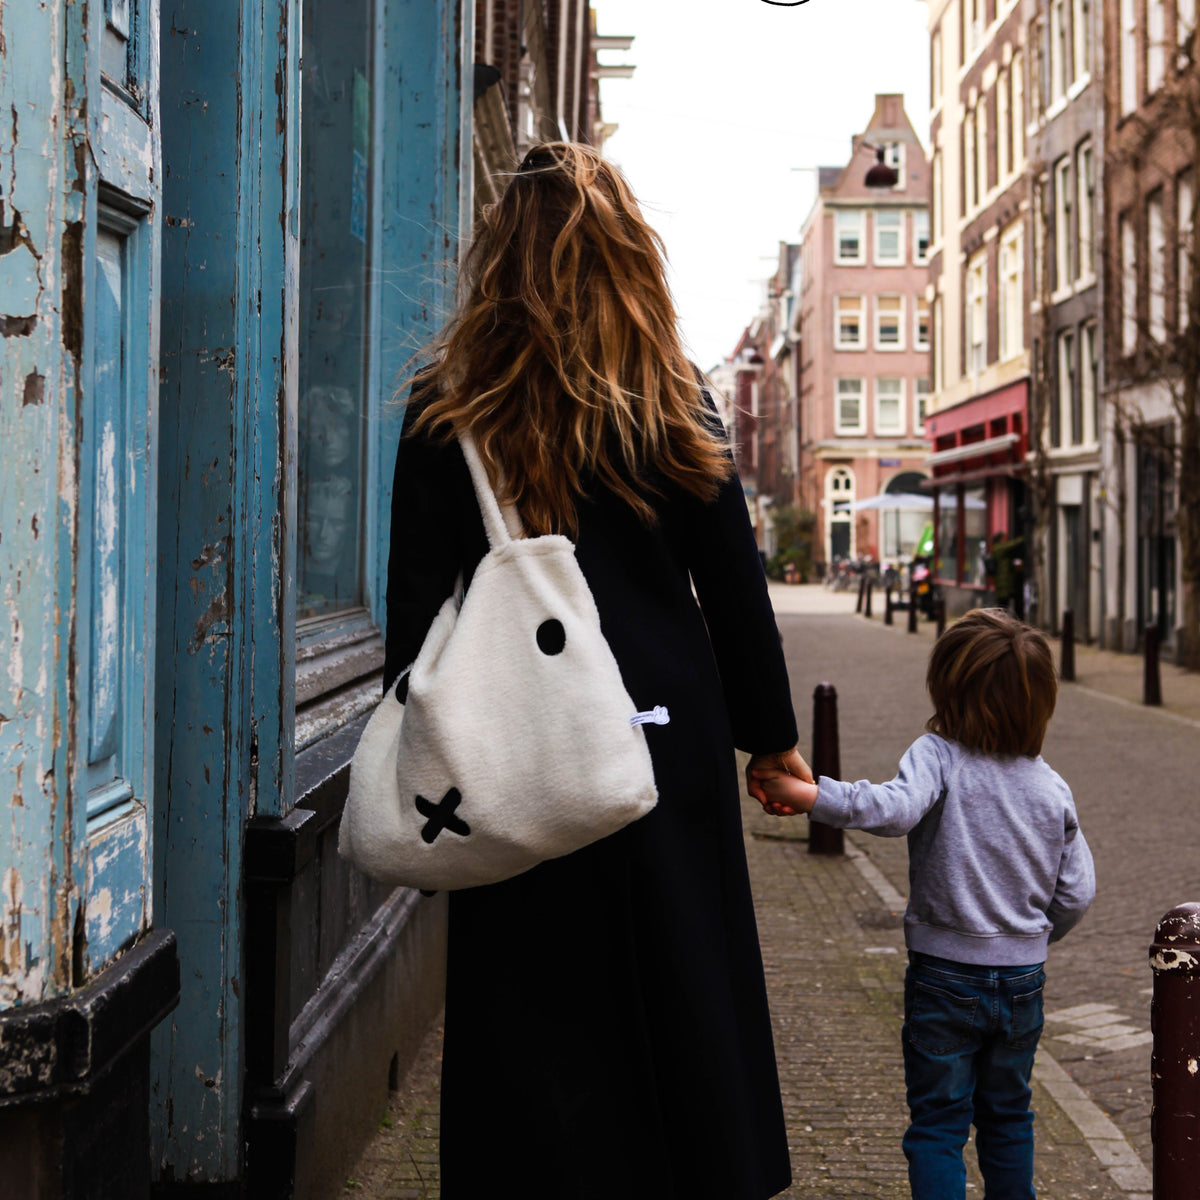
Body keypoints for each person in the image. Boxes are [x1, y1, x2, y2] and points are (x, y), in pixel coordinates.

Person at [384, 142, 810, 1199]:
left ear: (496, 260)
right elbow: (735, 588)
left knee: (527, 998)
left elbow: (414, 620)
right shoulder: (672, 398)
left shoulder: (449, 408)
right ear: (629, 257)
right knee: (683, 981)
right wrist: (771, 738)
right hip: (664, 739)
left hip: (519, 746)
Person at [748, 608, 1095, 1200]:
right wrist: (1029, 941)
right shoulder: (1051, 786)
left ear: (949, 689)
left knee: (939, 1124)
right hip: (1022, 981)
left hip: (944, 979)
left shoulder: (939, 755)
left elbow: (892, 809)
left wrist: (813, 796)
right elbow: (1077, 892)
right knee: (1010, 1118)